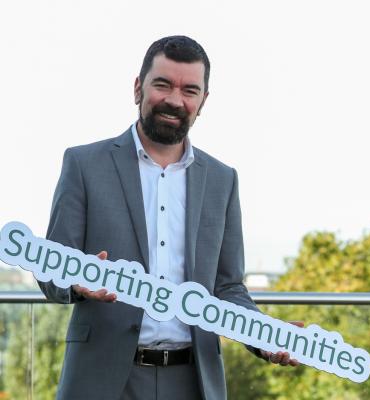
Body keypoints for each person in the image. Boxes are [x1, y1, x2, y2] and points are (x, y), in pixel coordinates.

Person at [38, 35, 298, 400]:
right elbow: (49, 271)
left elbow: (228, 288)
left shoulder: (223, 179)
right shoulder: (83, 164)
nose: (175, 100)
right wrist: (75, 282)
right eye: (163, 85)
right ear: (137, 88)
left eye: (190, 90)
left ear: (202, 101)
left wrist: (265, 338)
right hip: (101, 379)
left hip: (194, 381)